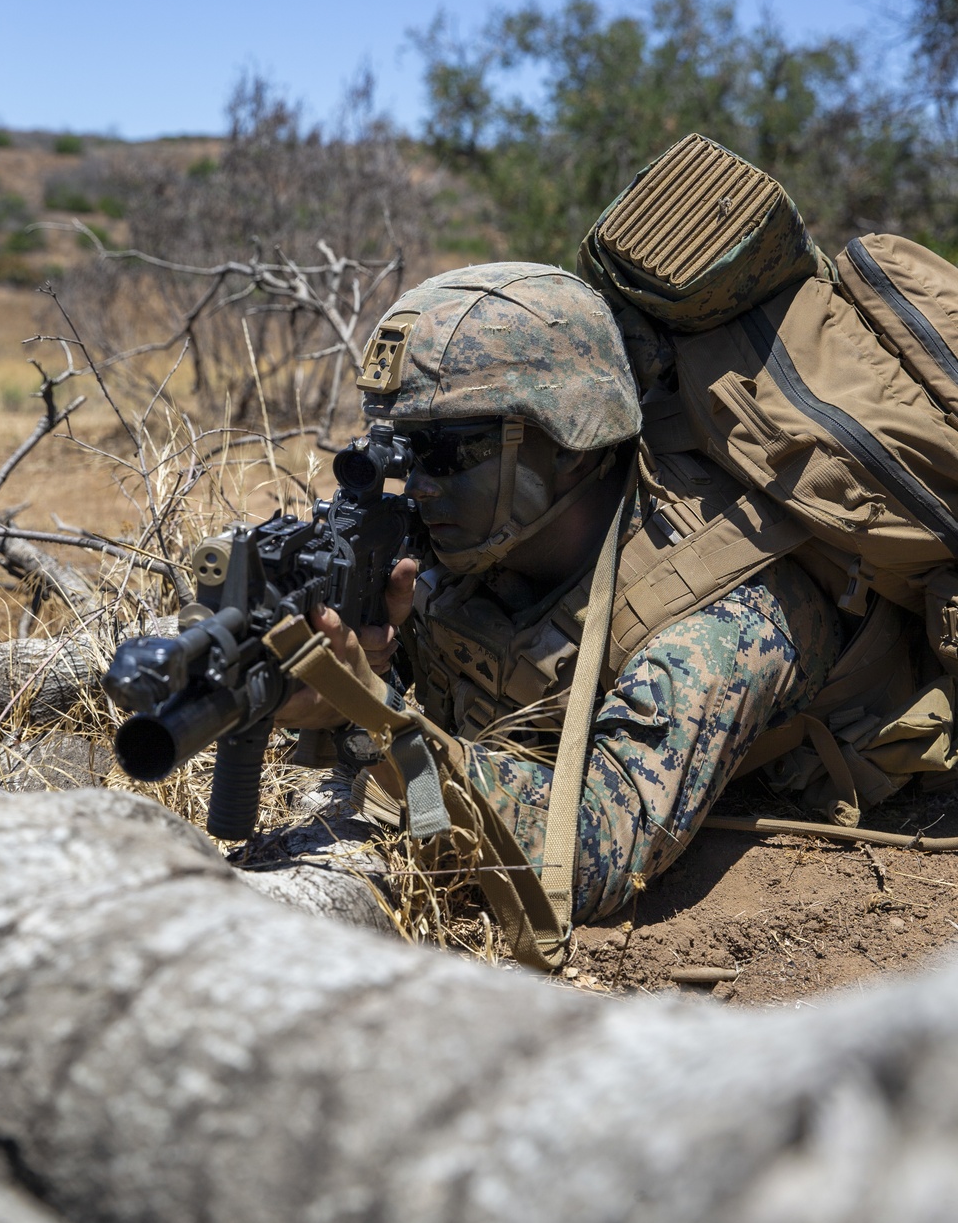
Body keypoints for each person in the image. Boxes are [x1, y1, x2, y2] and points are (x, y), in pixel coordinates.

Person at [275, 261, 842, 928]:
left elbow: (584, 864)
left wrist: (375, 722)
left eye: (447, 451)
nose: (417, 484)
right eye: (398, 449)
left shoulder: (716, 621)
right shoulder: (475, 537)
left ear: (571, 443)